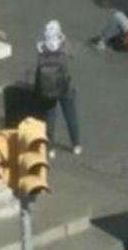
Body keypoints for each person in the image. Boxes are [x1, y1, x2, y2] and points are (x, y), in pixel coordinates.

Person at [34, 21, 81, 158]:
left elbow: (38, 64)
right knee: (70, 115)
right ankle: (76, 144)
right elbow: (73, 56)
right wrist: (64, 39)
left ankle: (50, 149)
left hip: (48, 86)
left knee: (50, 117)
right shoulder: (64, 46)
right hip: (66, 86)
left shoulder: (40, 49)